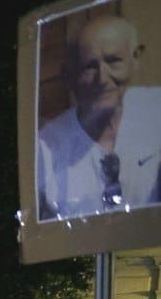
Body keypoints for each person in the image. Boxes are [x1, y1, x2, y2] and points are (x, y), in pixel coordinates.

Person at [38, 15, 161, 220]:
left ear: (135, 59)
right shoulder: (46, 148)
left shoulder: (156, 111)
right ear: (69, 76)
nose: (102, 78)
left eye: (113, 61)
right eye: (89, 67)